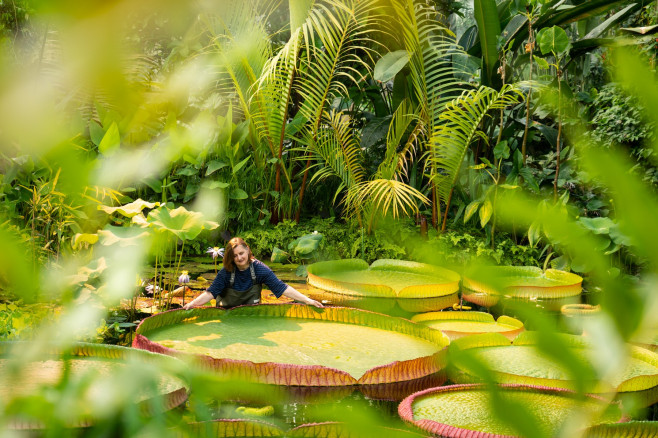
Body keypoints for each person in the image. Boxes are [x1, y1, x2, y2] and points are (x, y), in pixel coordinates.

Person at [182, 237, 323, 310]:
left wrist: (307, 300)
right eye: (235, 256)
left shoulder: (260, 269)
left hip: (251, 316)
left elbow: (281, 287)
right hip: (226, 317)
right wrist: (192, 304)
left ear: (248, 250)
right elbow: (211, 293)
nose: (239, 258)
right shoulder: (226, 272)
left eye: (241, 253)